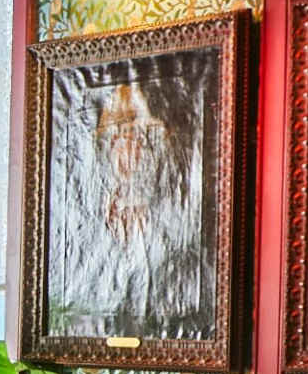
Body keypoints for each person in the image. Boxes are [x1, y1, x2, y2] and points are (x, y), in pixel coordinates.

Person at [51, 69, 208, 344]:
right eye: (114, 136)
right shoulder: (77, 226)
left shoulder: (186, 227)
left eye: (141, 135)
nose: (126, 147)